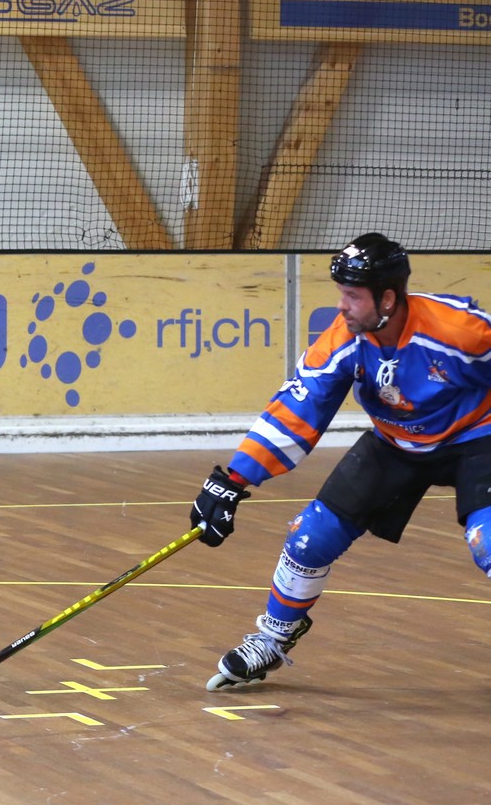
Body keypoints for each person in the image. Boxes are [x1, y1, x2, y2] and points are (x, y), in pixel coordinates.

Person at [191, 233, 491, 690]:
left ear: (387, 298)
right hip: (395, 442)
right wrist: (233, 479)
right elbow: (298, 409)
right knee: (310, 537)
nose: (342, 306)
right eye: (341, 294)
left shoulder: (458, 330)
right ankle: (273, 638)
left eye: (353, 296)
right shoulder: (344, 341)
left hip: (478, 436)